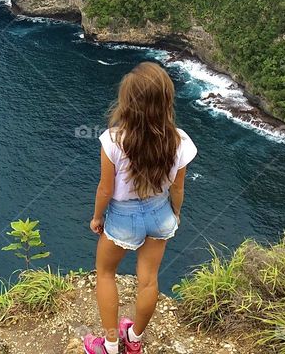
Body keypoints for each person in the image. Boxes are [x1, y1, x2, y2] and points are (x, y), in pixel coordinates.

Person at [83, 62, 198, 354]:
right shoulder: (179, 140)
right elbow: (178, 188)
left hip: (123, 216)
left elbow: (106, 189)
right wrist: (176, 213)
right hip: (160, 213)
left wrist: (97, 217)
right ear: (166, 100)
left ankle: (109, 346)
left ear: (127, 102)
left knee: (106, 274)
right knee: (148, 280)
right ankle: (134, 339)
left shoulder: (113, 140)